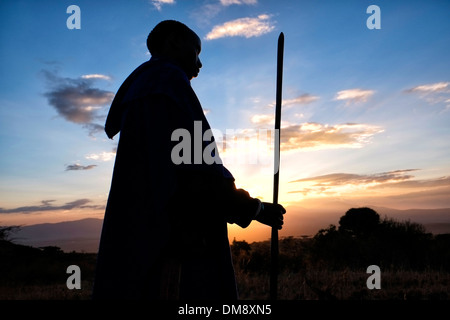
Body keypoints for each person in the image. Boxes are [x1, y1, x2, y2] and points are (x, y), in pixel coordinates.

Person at [93, 20, 285, 300]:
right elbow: (198, 172)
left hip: (142, 237)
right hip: (173, 243)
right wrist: (254, 209)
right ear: (172, 41)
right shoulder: (168, 84)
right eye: (196, 51)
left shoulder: (145, 89)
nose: (200, 63)